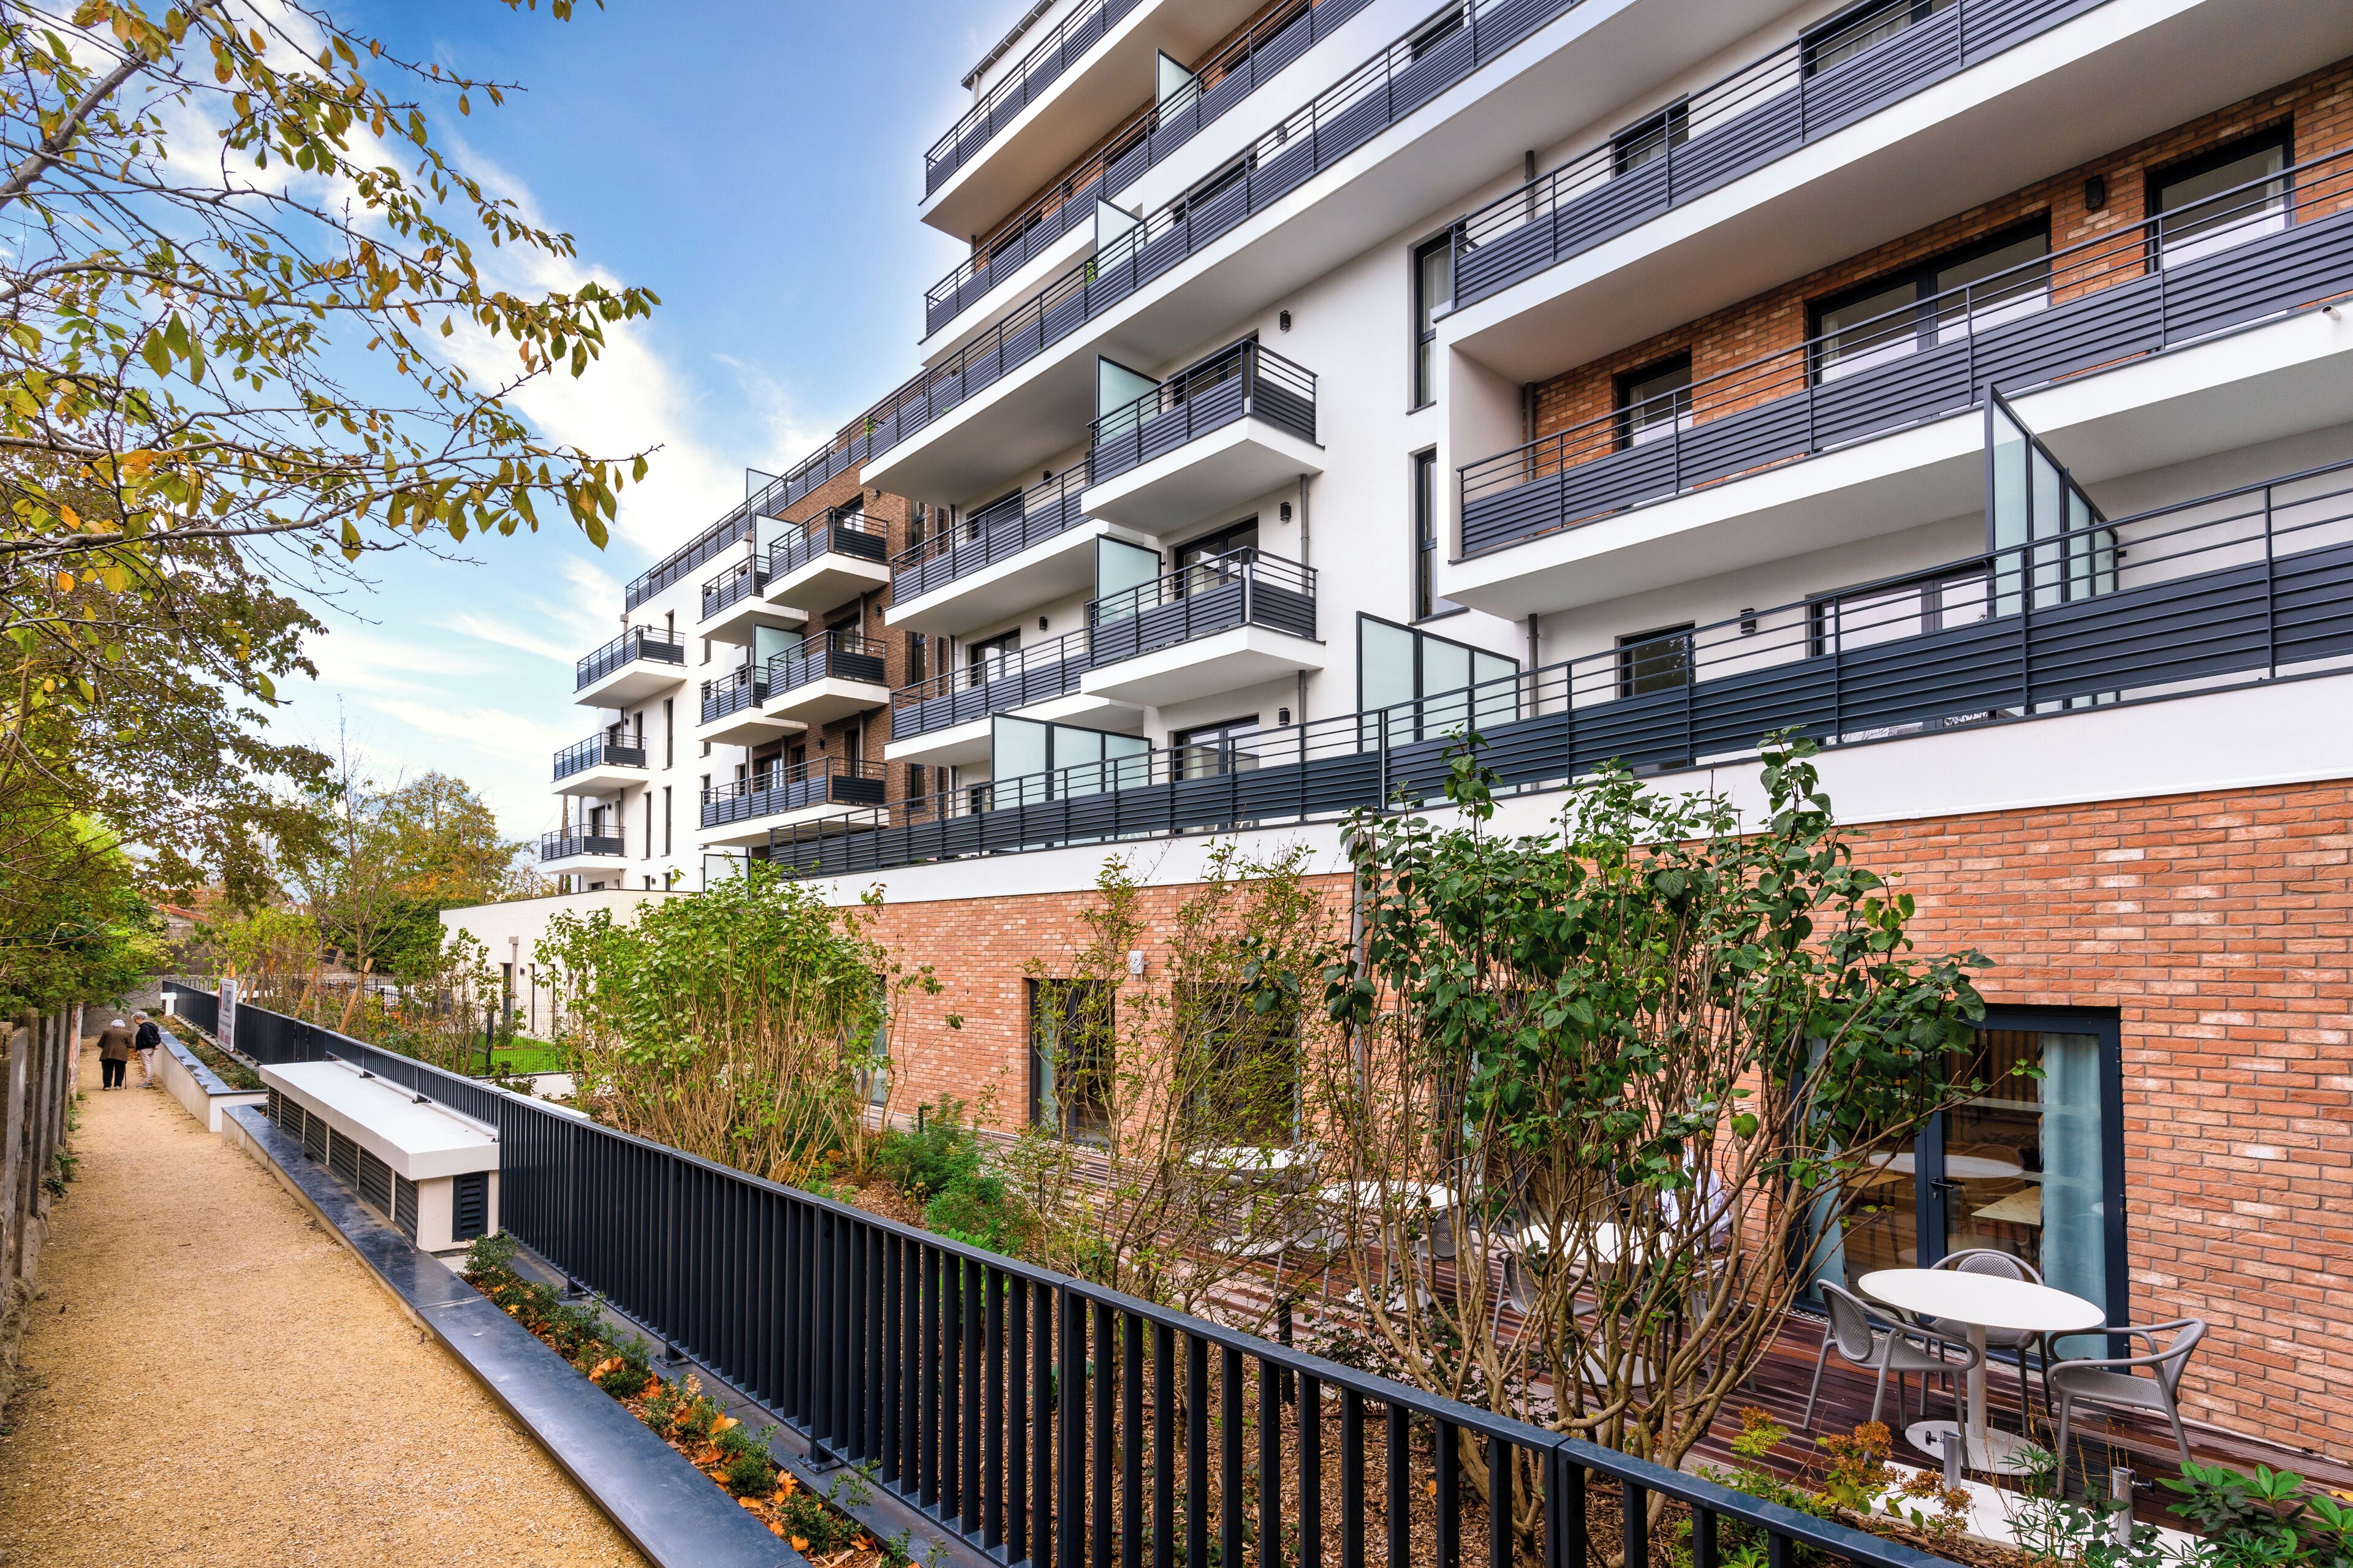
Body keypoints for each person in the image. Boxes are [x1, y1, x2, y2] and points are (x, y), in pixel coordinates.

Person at [96, 1016, 135, 1089]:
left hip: (107, 1054)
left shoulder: (106, 1032)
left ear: (113, 1025)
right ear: (123, 1026)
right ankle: (118, 1085)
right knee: (120, 1069)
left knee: (107, 1070)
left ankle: (107, 1086)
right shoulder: (128, 1033)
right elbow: (130, 1045)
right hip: (121, 1054)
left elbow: (100, 1044)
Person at [133, 1012, 162, 1087]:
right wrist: (155, 1044)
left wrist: (153, 1044)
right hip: (150, 1047)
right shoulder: (151, 1025)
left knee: (147, 1064)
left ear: (140, 1019)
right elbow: (157, 1036)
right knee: (150, 1063)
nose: (135, 1021)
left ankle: (148, 1081)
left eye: (135, 1019)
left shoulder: (144, 1027)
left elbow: (148, 1037)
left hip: (145, 1047)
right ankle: (149, 1080)